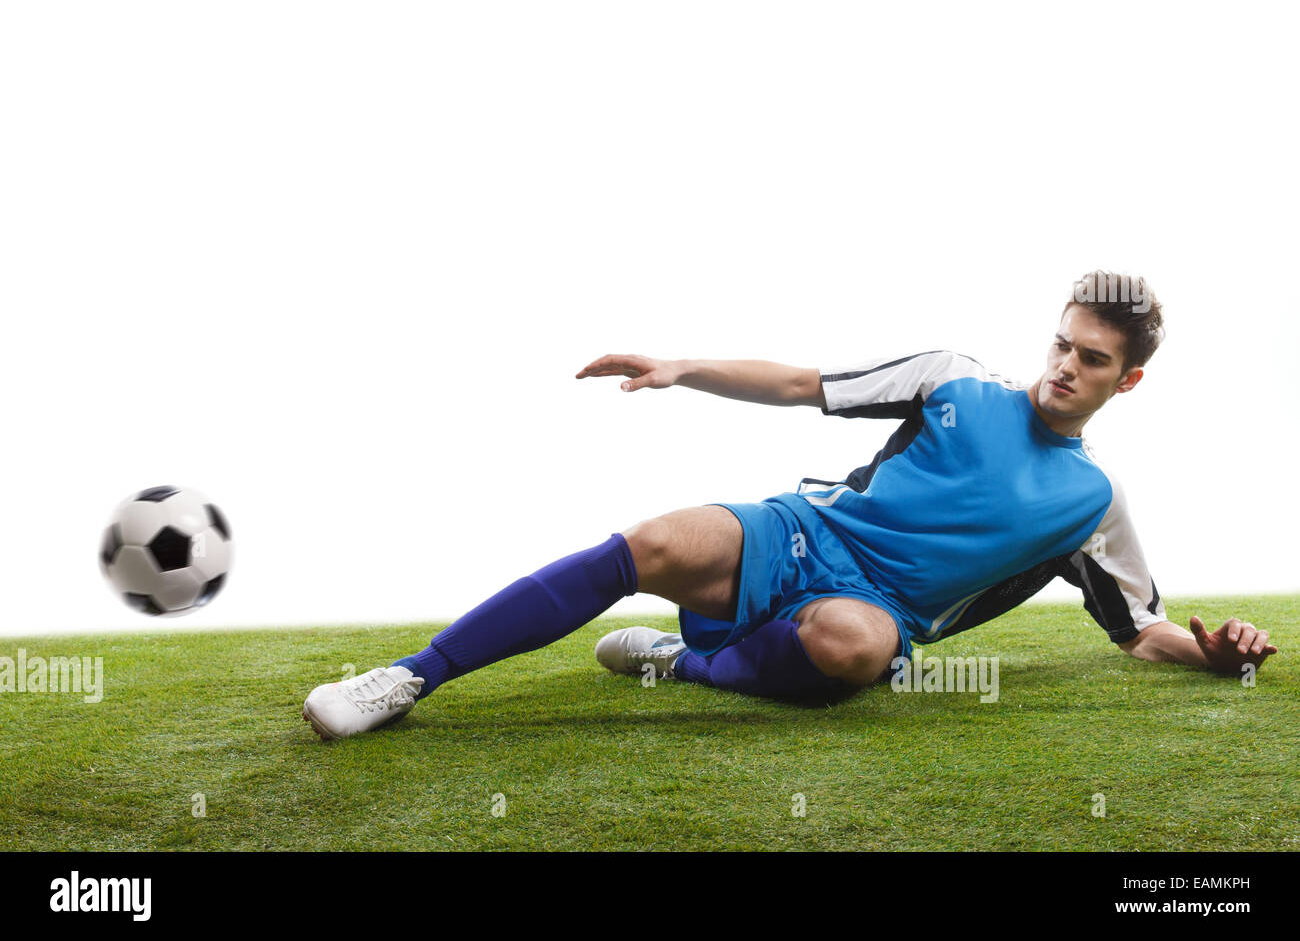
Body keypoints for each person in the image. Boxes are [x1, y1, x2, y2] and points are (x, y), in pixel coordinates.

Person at [302, 270, 1278, 740]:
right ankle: (405, 678)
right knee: (650, 537)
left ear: (1128, 379)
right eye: (1062, 343)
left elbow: (1138, 629)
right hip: (799, 532)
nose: (1065, 365)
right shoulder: (955, 379)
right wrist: (689, 365)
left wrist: (1215, 654)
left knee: (856, 645)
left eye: (1092, 358)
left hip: (872, 615)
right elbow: (804, 383)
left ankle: (684, 660)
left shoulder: (1091, 502)